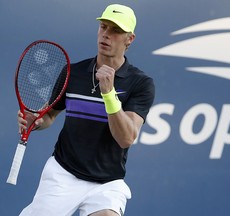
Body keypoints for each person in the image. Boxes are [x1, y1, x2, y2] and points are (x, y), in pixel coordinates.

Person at [17, 4, 155, 216]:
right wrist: (36, 120)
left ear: (130, 39)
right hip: (63, 174)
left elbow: (126, 138)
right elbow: (50, 115)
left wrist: (109, 95)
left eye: (116, 30)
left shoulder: (140, 83)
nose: (106, 35)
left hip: (106, 183)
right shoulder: (73, 72)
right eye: (103, 27)